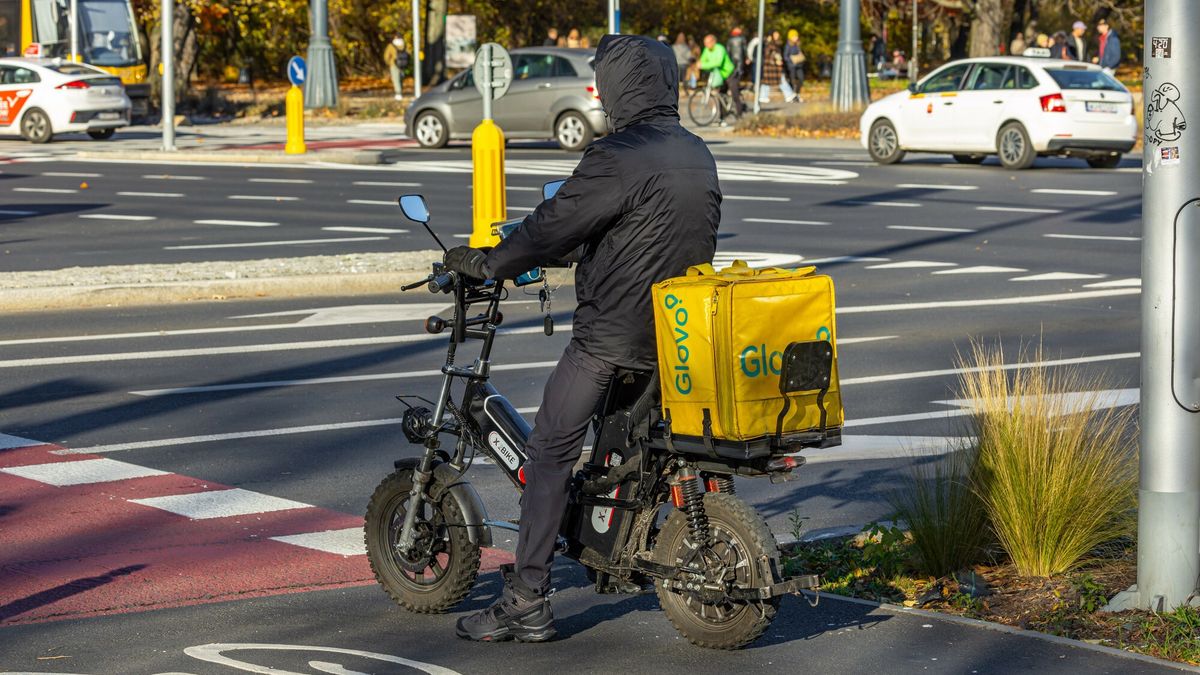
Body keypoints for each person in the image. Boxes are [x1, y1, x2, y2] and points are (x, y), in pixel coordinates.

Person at [446, 33, 720, 644]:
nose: (599, 92)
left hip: (611, 337)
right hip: (675, 338)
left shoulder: (617, 154)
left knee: (549, 452)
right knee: (620, 449)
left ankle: (525, 599)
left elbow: (551, 226)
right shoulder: (696, 151)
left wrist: (490, 262)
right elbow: (644, 229)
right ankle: (609, 547)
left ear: (624, 86)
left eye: (605, 81)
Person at [699, 34, 736, 123]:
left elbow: (718, 63)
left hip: (728, 73)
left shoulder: (720, 48)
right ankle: (722, 117)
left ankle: (739, 114)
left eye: (707, 43)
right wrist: (702, 64)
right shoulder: (707, 50)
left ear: (713, 42)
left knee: (734, 93)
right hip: (719, 75)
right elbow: (702, 60)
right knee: (720, 95)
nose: (706, 45)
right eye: (705, 43)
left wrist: (703, 65)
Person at [726, 27, 747, 117]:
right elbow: (745, 51)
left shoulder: (730, 40)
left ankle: (737, 93)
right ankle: (739, 93)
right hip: (740, 62)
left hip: (731, 62)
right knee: (736, 80)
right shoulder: (742, 39)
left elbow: (728, 52)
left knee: (732, 80)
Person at [383, 35, 410, 100]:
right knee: (401, 78)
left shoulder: (391, 45)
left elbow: (386, 56)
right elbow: (409, 54)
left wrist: (389, 63)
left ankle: (398, 93)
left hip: (394, 64)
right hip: (403, 64)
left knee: (396, 79)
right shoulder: (405, 45)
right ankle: (400, 91)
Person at [783, 29, 805, 103]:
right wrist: (791, 62)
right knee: (792, 81)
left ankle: (797, 94)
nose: (796, 37)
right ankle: (793, 96)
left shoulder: (798, 45)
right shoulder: (788, 46)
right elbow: (785, 56)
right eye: (794, 36)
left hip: (799, 65)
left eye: (796, 36)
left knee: (801, 79)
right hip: (791, 67)